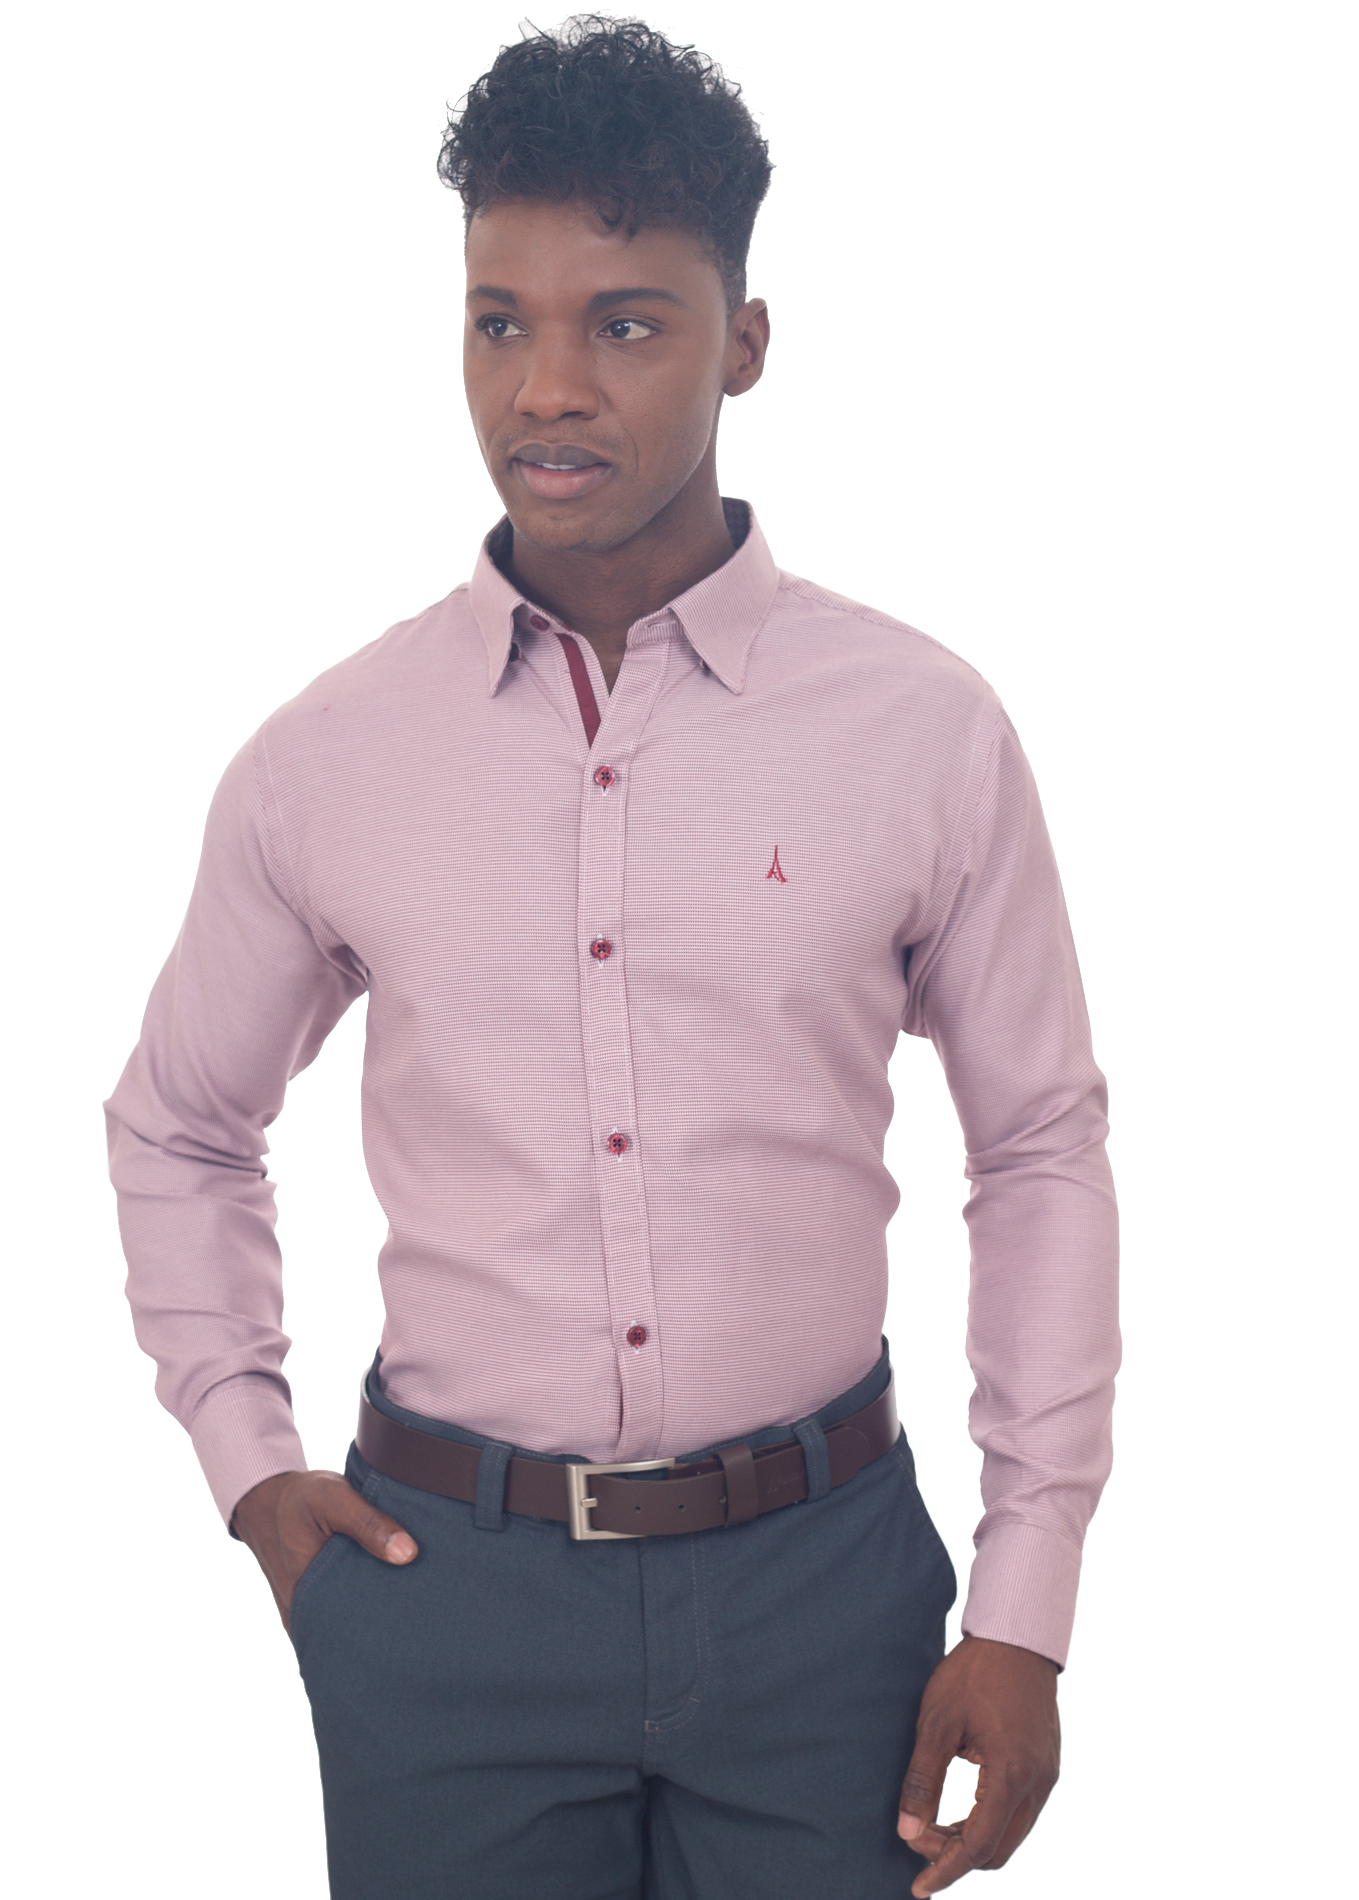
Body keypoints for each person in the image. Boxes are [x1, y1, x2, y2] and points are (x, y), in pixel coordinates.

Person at [105, 17, 1118, 1899]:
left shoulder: (925, 730)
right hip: (443, 1596)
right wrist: (252, 1471)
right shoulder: (327, 758)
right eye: (500, 322)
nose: (548, 388)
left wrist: (1027, 1600)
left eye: (626, 323)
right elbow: (178, 1126)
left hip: (829, 1597)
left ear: (746, 341)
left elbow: (1040, 1146)